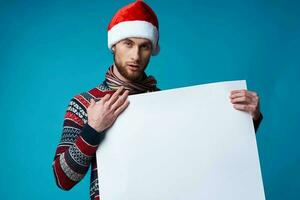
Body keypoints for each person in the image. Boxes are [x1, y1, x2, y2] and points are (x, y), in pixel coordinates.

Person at [52, 1, 263, 200]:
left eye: (144, 46)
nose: (135, 55)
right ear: (114, 45)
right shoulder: (85, 103)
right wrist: (93, 128)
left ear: (152, 51)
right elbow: (63, 179)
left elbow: (208, 157)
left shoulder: (164, 103)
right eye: (128, 43)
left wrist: (247, 119)